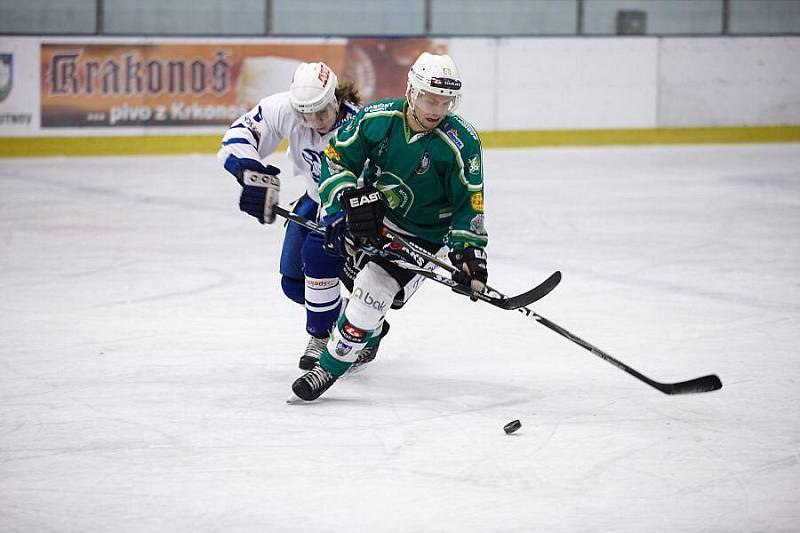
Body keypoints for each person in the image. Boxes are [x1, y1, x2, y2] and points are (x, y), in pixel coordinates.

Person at [292, 52, 488, 401]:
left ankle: (329, 366)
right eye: (430, 98)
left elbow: (468, 202)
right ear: (412, 91)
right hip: (374, 218)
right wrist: (338, 208)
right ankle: (368, 327)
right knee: (321, 253)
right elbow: (337, 157)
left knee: (372, 292)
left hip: (424, 237)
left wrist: (469, 255)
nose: (436, 110)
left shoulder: (462, 143)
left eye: (445, 102)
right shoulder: (377, 118)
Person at [217, 61, 387, 370]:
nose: (314, 122)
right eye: (306, 114)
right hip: (313, 198)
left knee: (317, 255)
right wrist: (249, 169)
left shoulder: (362, 126)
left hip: (349, 207)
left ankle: (323, 336)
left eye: (322, 112)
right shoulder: (287, 108)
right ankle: (363, 321)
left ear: (335, 99)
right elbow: (241, 133)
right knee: (293, 283)